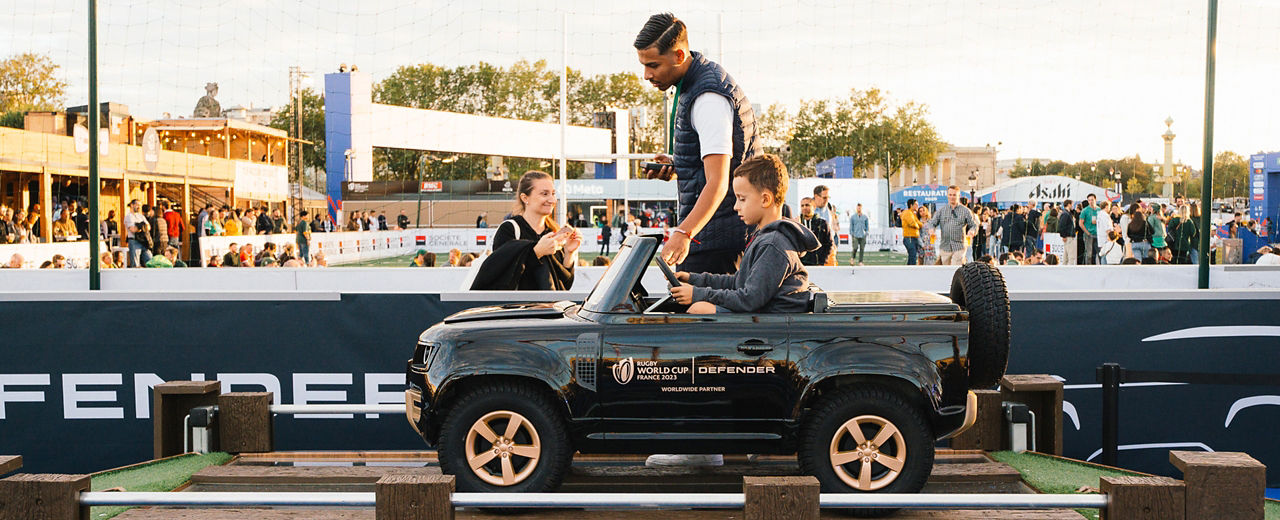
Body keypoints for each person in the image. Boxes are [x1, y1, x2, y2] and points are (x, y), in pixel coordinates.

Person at [635, 12, 760, 275]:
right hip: (715, 234)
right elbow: (714, 166)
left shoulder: (708, 97)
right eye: (643, 65)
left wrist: (683, 232)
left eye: (653, 65)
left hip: (719, 241)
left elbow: (718, 181)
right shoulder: (694, 84)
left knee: (697, 314)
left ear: (679, 56)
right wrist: (679, 164)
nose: (646, 74)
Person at [670, 154, 817, 314]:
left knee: (701, 309)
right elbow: (739, 282)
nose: (735, 206)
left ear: (765, 200)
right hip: (763, 318)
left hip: (772, 327)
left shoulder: (772, 245)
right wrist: (694, 279)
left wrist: (697, 294)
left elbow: (749, 299)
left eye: (742, 199)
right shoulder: (764, 238)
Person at [470, 170, 581, 290]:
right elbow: (502, 275)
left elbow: (565, 285)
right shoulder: (509, 229)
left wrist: (569, 253)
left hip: (550, 307)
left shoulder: (552, 232)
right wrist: (537, 252)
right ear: (525, 198)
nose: (552, 200)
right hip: (520, 307)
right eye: (544, 194)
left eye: (553, 193)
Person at [926, 186, 977, 266]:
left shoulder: (965, 211)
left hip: (959, 246)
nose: (952, 197)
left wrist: (971, 232)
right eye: (950, 195)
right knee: (946, 270)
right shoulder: (941, 210)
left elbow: (973, 225)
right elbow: (932, 223)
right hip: (945, 246)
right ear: (947, 195)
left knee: (955, 267)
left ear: (958, 196)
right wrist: (931, 230)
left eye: (954, 195)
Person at [797, 197, 831, 266]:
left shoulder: (822, 223)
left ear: (814, 207)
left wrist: (823, 261)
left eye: (807, 205)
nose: (804, 207)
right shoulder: (796, 224)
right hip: (800, 265)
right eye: (802, 205)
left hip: (817, 264)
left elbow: (829, 244)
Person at [812, 185, 840, 263]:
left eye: (828, 197)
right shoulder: (808, 209)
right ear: (816, 196)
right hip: (815, 250)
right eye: (824, 198)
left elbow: (833, 225)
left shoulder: (829, 207)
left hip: (830, 247)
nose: (827, 200)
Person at [901, 199, 922, 265]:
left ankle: (909, 271)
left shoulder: (913, 214)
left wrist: (918, 224)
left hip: (913, 237)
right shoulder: (907, 212)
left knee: (913, 256)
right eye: (916, 204)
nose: (917, 206)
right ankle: (911, 271)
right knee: (913, 255)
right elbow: (912, 223)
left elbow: (919, 223)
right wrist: (918, 225)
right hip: (909, 237)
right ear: (911, 205)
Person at [1079, 194, 1098, 264]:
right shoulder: (1085, 210)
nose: (1091, 202)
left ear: (1095, 200)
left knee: (1099, 253)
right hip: (1089, 234)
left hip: (1098, 234)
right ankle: (1088, 267)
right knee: (1089, 254)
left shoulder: (1099, 210)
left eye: (1092, 200)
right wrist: (1087, 232)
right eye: (1089, 200)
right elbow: (1080, 223)